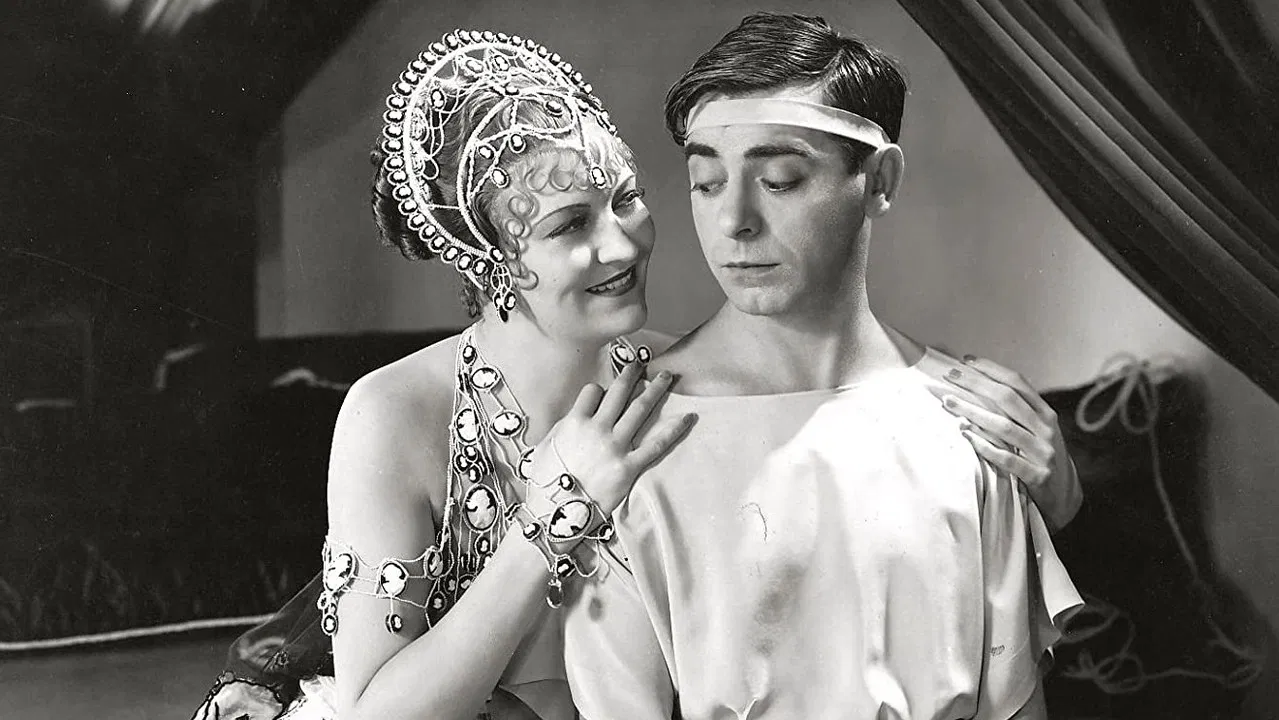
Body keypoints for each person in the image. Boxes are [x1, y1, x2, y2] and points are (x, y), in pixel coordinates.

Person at [562, 13, 1084, 720]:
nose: (735, 221)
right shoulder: (627, 442)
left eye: (779, 180)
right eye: (706, 183)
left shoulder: (969, 426)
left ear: (878, 181)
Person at [193, 29, 694, 720]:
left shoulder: (681, 381)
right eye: (570, 225)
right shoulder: (393, 412)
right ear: (485, 259)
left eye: (627, 199)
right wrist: (553, 515)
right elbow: (378, 715)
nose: (622, 243)